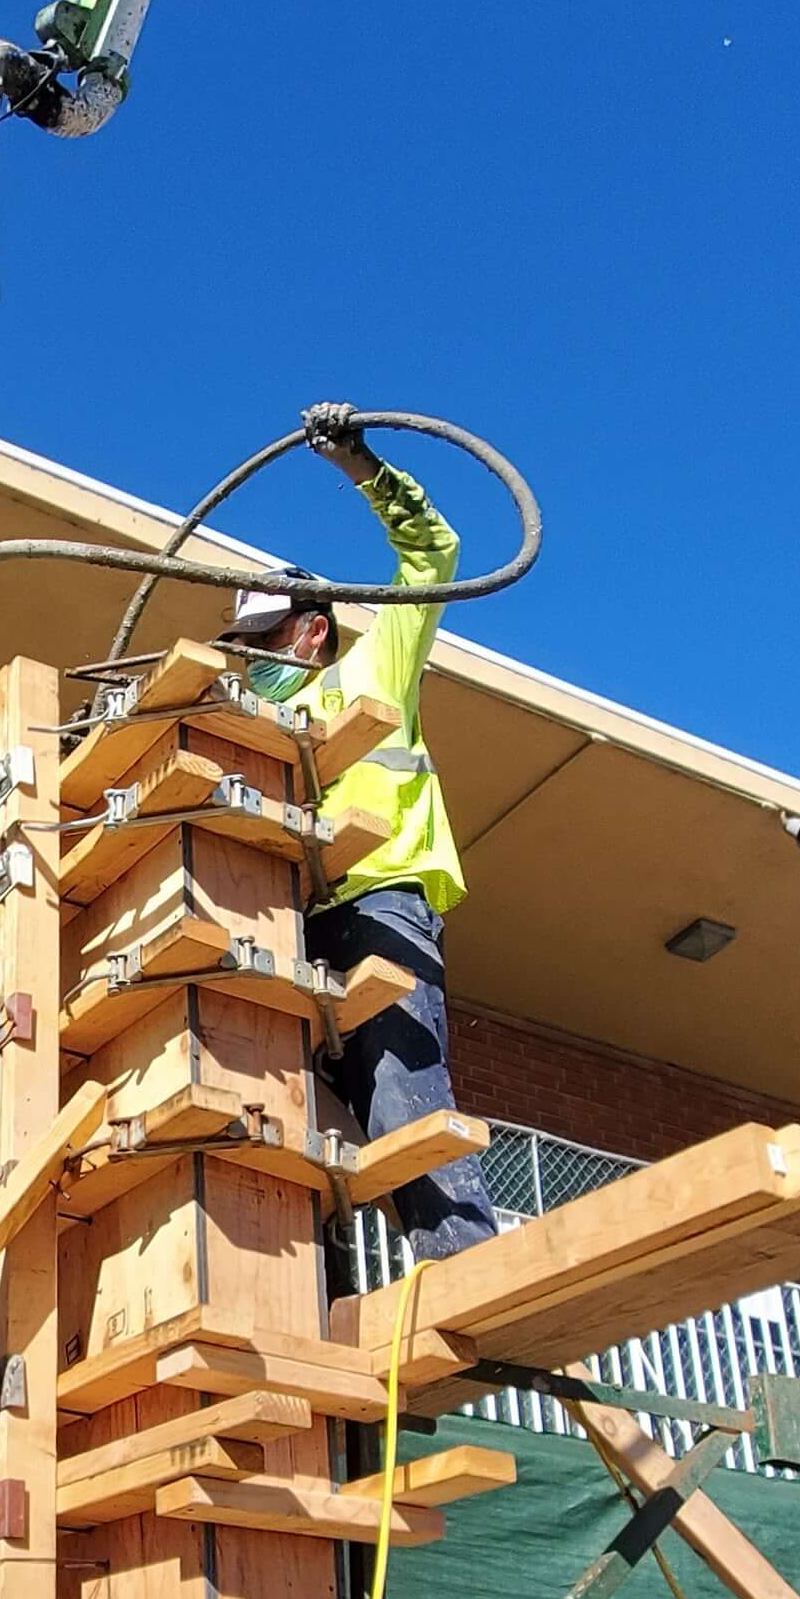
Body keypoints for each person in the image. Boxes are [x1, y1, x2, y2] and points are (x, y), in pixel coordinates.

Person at [229, 405, 504, 1264]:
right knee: (311, 1130)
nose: (251, 658)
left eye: (263, 639)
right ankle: (335, 1299)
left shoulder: (369, 667)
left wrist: (361, 465)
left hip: (383, 903)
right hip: (299, 930)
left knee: (398, 1103)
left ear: (313, 626)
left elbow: (433, 557)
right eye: (243, 645)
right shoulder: (256, 719)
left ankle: (471, 1274)